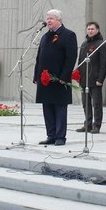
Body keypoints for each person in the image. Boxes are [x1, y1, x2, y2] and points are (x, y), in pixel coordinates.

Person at [34, 9, 78, 146]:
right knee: (47, 108)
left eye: (51, 18)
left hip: (59, 80)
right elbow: (39, 58)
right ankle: (51, 135)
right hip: (45, 80)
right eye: (47, 18)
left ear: (59, 20)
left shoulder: (68, 35)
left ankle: (60, 136)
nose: (48, 21)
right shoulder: (45, 37)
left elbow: (71, 58)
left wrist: (64, 77)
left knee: (59, 108)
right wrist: (36, 75)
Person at [76, 22, 106, 134]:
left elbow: (104, 63)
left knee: (96, 104)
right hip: (84, 79)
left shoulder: (101, 44)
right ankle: (88, 124)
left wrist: (100, 79)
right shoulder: (84, 44)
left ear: (97, 30)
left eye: (92, 29)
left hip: (95, 79)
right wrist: (78, 75)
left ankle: (97, 125)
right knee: (86, 103)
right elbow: (80, 61)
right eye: (88, 29)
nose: (90, 31)